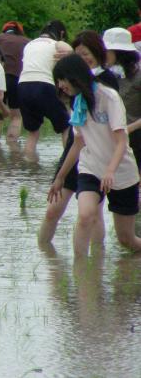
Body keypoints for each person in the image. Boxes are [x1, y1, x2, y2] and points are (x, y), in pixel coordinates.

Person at [48, 54, 141, 257]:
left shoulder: (109, 97)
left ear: (75, 76)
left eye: (62, 80)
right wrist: (60, 177)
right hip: (91, 169)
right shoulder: (78, 103)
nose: (60, 86)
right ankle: (81, 274)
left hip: (121, 172)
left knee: (126, 239)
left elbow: (121, 141)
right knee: (85, 215)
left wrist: (110, 170)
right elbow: (78, 142)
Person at [40, 31, 118, 244]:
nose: (83, 59)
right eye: (78, 55)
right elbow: (77, 129)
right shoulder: (74, 85)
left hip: (96, 155)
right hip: (75, 151)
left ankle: (93, 268)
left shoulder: (106, 82)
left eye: (86, 54)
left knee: (93, 215)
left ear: (98, 52)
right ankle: (48, 261)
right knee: (52, 210)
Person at [18, 20, 72, 153]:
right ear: (61, 33)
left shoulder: (29, 44)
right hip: (44, 85)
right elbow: (68, 50)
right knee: (66, 126)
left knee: (32, 132)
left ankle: (30, 166)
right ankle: (68, 163)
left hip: (23, 86)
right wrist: (71, 54)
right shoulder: (56, 43)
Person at [0, 21, 30, 142]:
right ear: (20, 32)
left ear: (4, 30)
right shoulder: (27, 41)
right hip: (17, 78)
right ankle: (13, 149)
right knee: (16, 116)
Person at [103, 27, 141, 167]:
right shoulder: (103, 74)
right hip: (110, 134)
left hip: (135, 135)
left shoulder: (138, 76)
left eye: (107, 51)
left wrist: (128, 128)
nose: (103, 54)